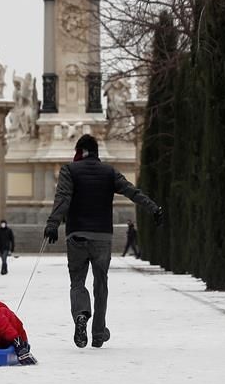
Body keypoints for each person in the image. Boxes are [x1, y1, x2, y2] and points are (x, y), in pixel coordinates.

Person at [43, 134, 163, 349]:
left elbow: (63, 199)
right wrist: (153, 207)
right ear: (97, 151)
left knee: (77, 282)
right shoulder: (109, 172)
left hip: (76, 235)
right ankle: (98, 333)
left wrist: (53, 224)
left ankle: (81, 314)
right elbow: (132, 192)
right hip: (102, 237)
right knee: (101, 284)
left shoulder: (69, 170)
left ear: (79, 151)